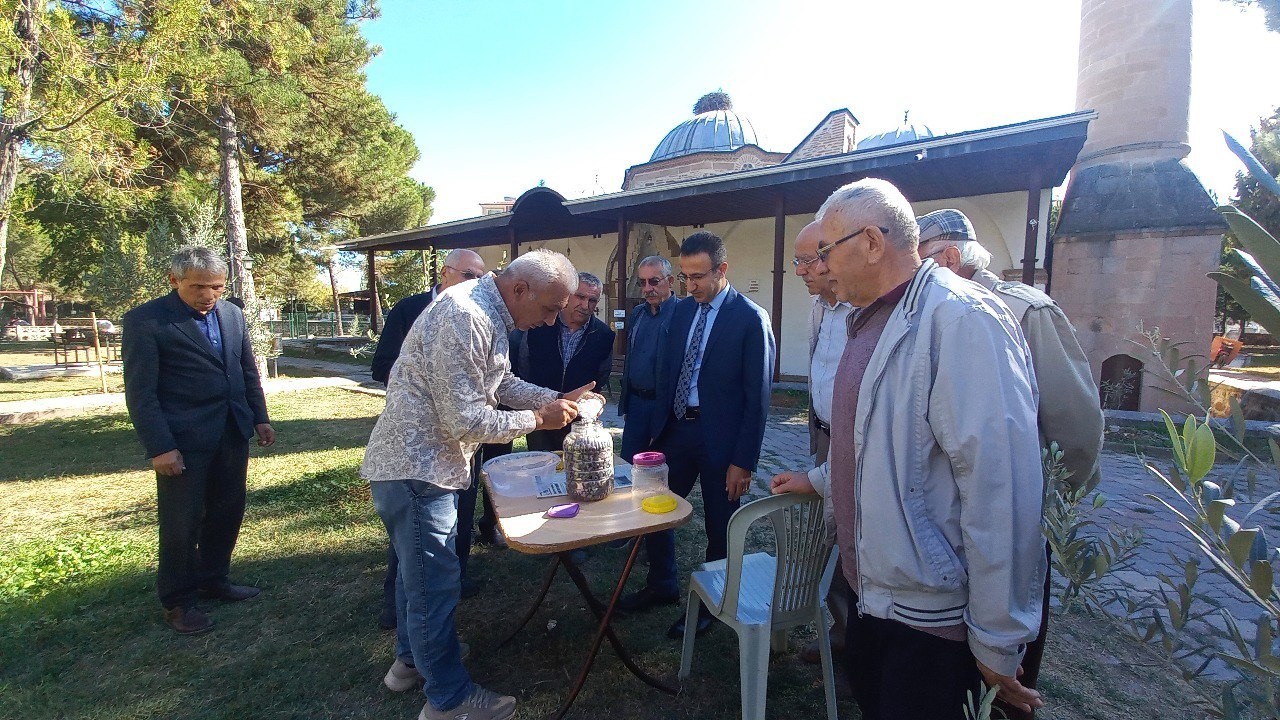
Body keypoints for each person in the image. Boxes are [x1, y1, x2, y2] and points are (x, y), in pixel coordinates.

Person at [771, 179, 1046, 720]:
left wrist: (997, 639)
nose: (819, 266)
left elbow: (1002, 487)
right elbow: (876, 440)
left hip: (932, 620)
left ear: (872, 243)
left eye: (826, 251)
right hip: (875, 598)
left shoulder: (962, 320)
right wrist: (822, 479)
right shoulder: (869, 316)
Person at [361, 249, 595, 720]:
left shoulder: (486, 308)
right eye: (551, 308)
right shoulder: (466, 315)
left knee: (416, 578)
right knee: (433, 585)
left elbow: (500, 381)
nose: (552, 321)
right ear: (521, 289)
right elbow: (467, 420)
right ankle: (448, 700)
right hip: (418, 470)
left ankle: (410, 662)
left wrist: (556, 399)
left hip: (424, 467)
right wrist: (538, 418)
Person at [917, 208, 1104, 720]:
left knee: (1007, 668)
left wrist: (1043, 505)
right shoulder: (926, 316)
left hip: (1012, 517)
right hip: (950, 526)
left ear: (948, 258)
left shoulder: (1024, 311)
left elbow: (1076, 425)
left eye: (919, 259)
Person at [618, 231, 776, 641]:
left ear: (722, 269)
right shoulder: (684, 312)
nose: (690, 285)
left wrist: (743, 460)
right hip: (677, 431)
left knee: (720, 525)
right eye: (686, 276)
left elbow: (757, 397)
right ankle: (662, 584)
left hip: (721, 441)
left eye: (699, 276)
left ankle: (713, 603)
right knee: (654, 507)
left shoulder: (750, 318)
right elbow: (670, 371)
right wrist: (657, 430)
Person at [122, 246, 276, 635]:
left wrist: (259, 417)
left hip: (231, 431)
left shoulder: (232, 315)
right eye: (198, 287)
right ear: (174, 280)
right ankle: (178, 601)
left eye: (217, 287)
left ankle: (213, 579)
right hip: (183, 440)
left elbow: (245, 371)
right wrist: (160, 446)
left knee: (227, 511)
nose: (209, 295)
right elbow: (141, 392)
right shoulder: (147, 321)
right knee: (182, 522)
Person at [367, 249, 489, 630]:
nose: (476, 284)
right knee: (416, 537)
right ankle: (398, 606)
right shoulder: (410, 309)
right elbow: (382, 365)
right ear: (445, 273)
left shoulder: (477, 315)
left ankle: (455, 577)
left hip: (462, 440)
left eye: (480, 277)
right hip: (419, 448)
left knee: (459, 515)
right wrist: (428, 381)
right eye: (469, 275)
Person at [793, 225, 855, 672]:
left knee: (855, 539)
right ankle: (842, 633)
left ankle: (859, 651)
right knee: (831, 535)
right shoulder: (820, 308)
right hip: (826, 437)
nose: (800, 271)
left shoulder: (864, 309)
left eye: (806, 261)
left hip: (857, 442)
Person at [511, 271, 615, 451]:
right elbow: (524, 364)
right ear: (568, 295)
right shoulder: (541, 324)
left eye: (592, 300)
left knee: (578, 462)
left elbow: (602, 374)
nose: (585, 305)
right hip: (542, 411)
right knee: (542, 461)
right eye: (580, 297)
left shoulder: (604, 334)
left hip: (578, 417)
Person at [619, 256, 679, 462]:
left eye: (654, 281)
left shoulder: (682, 313)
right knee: (629, 465)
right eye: (642, 282)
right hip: (636, 405)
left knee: (660, 469)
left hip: (665, 406)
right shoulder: (638, 313)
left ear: (670, 281)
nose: (647, 289)